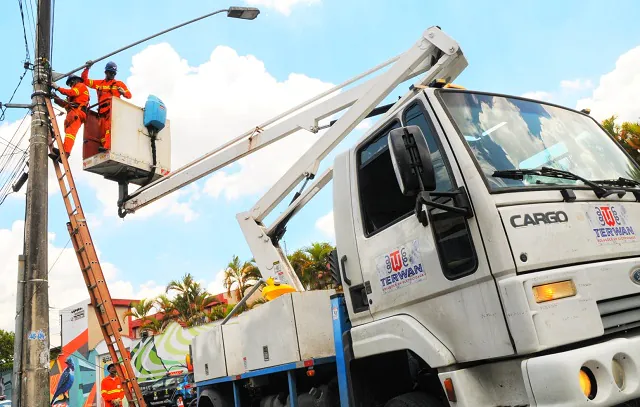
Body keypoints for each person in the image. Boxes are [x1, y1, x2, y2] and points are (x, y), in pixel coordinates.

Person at [81, 60, 132, 152]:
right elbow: (85, 81)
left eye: (114, 73)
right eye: (111, 73)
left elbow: (129, 95)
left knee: (109, 129)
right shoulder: (99, 83)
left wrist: (123, 93)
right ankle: (104, 147)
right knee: (102, 132)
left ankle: (107, 147)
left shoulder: (119, 84)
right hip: (102, 112)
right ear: (106, 72)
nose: (112, 75)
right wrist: (87, 68)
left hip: (112, 111)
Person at [49, 75, 90, 162]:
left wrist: (58, 88)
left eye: (71, 83)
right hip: (73, 113)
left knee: (70, 134)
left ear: (75, 80)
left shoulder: (80, 86)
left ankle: (65, 153)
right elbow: (65, 104)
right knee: (68, 134)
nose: (71, 85)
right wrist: (55, 97)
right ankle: (62, 152)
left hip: (77, 113)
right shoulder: (74, 95)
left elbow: (71, 92)